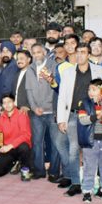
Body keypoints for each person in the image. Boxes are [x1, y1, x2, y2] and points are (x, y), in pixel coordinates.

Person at [56, 43, 102, 196]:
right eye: (77, 52)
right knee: (73, 150)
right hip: (73, 115)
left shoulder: (99, 70)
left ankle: (95, 183)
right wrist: (61, 119)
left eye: (83, 52)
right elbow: (62, 97)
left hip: (93, 115)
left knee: (93, 149)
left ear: (89, 55)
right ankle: (75, 183)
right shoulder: (68, 72)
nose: (79, 55)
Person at [24, 44, 67, 182]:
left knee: (55, 143)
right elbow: (29, 90)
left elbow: (56, 88)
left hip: (52, 111)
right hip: (36, 112)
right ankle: (39, 171)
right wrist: (34, 107)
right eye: (34, 53)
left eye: (38, 52)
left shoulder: (54, 66)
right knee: (37, 142)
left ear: (44, 53)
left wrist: (46, 106)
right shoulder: (30, 68)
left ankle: (54, 172)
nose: (36, 55)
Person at [77, 79, 102, 203]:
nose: (90, 92)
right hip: (91, 141)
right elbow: (82, 120)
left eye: (94, 89)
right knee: (89, 167)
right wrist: (96, 116)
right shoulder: (85, 104)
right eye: (89, 89)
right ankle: (87, 191)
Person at [0, 94, 33, 180]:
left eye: (9, 102)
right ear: (2, 105)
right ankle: (14, 163)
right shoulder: (1, 118)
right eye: (4, 103)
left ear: (14, 102)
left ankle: (25, 170)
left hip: (19, 147)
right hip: (7, 149)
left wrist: (10, 146)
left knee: (24, 147)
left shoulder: (21, 114)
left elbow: (26, 135)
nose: (7, 105)